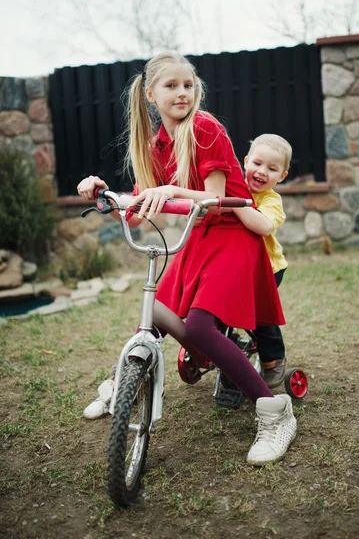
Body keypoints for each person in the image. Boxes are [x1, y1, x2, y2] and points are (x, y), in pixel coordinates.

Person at [77, 51, 297, 465]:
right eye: (171, 86)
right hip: (201, 235)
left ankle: (274, 412)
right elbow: (145, 214)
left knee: (198, 323)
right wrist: (106, 193)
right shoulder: (153, 144)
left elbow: (214, 201)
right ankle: (124, 383)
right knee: (156, 311)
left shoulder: (205, 127)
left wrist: (173, 191)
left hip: (232, 232)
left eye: (188, 85)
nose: (182, 93)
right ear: (150, 95)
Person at [243, 134, 291, 389]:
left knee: (262, 314)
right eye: (258, 164)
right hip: (237, 266)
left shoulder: (272, 201)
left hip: (268, 269)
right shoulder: (231, 187)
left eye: (272, 169)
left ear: (281, 176)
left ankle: (273, 359)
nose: (262, 172)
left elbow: (262, 225)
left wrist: (236, 206)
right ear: (246, 162)